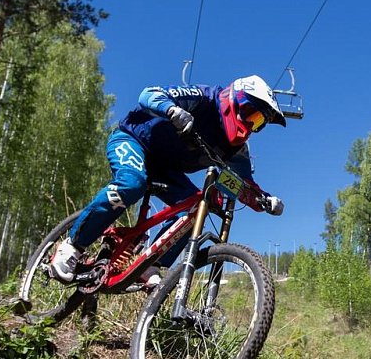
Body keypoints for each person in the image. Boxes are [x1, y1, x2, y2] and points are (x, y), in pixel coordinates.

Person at [49, 74, 287, 283]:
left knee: (195, 210)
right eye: (250, 113)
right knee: (132, 182)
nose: (249, 124)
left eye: (258, 122)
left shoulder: (236, 150)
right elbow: (149, 94)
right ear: (235, 99)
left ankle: (150, 264)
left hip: (165, 169)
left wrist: (263, 200)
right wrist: (173, 111)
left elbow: (241, 183)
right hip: (133, 140)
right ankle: (72, 246)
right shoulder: (204, 98)